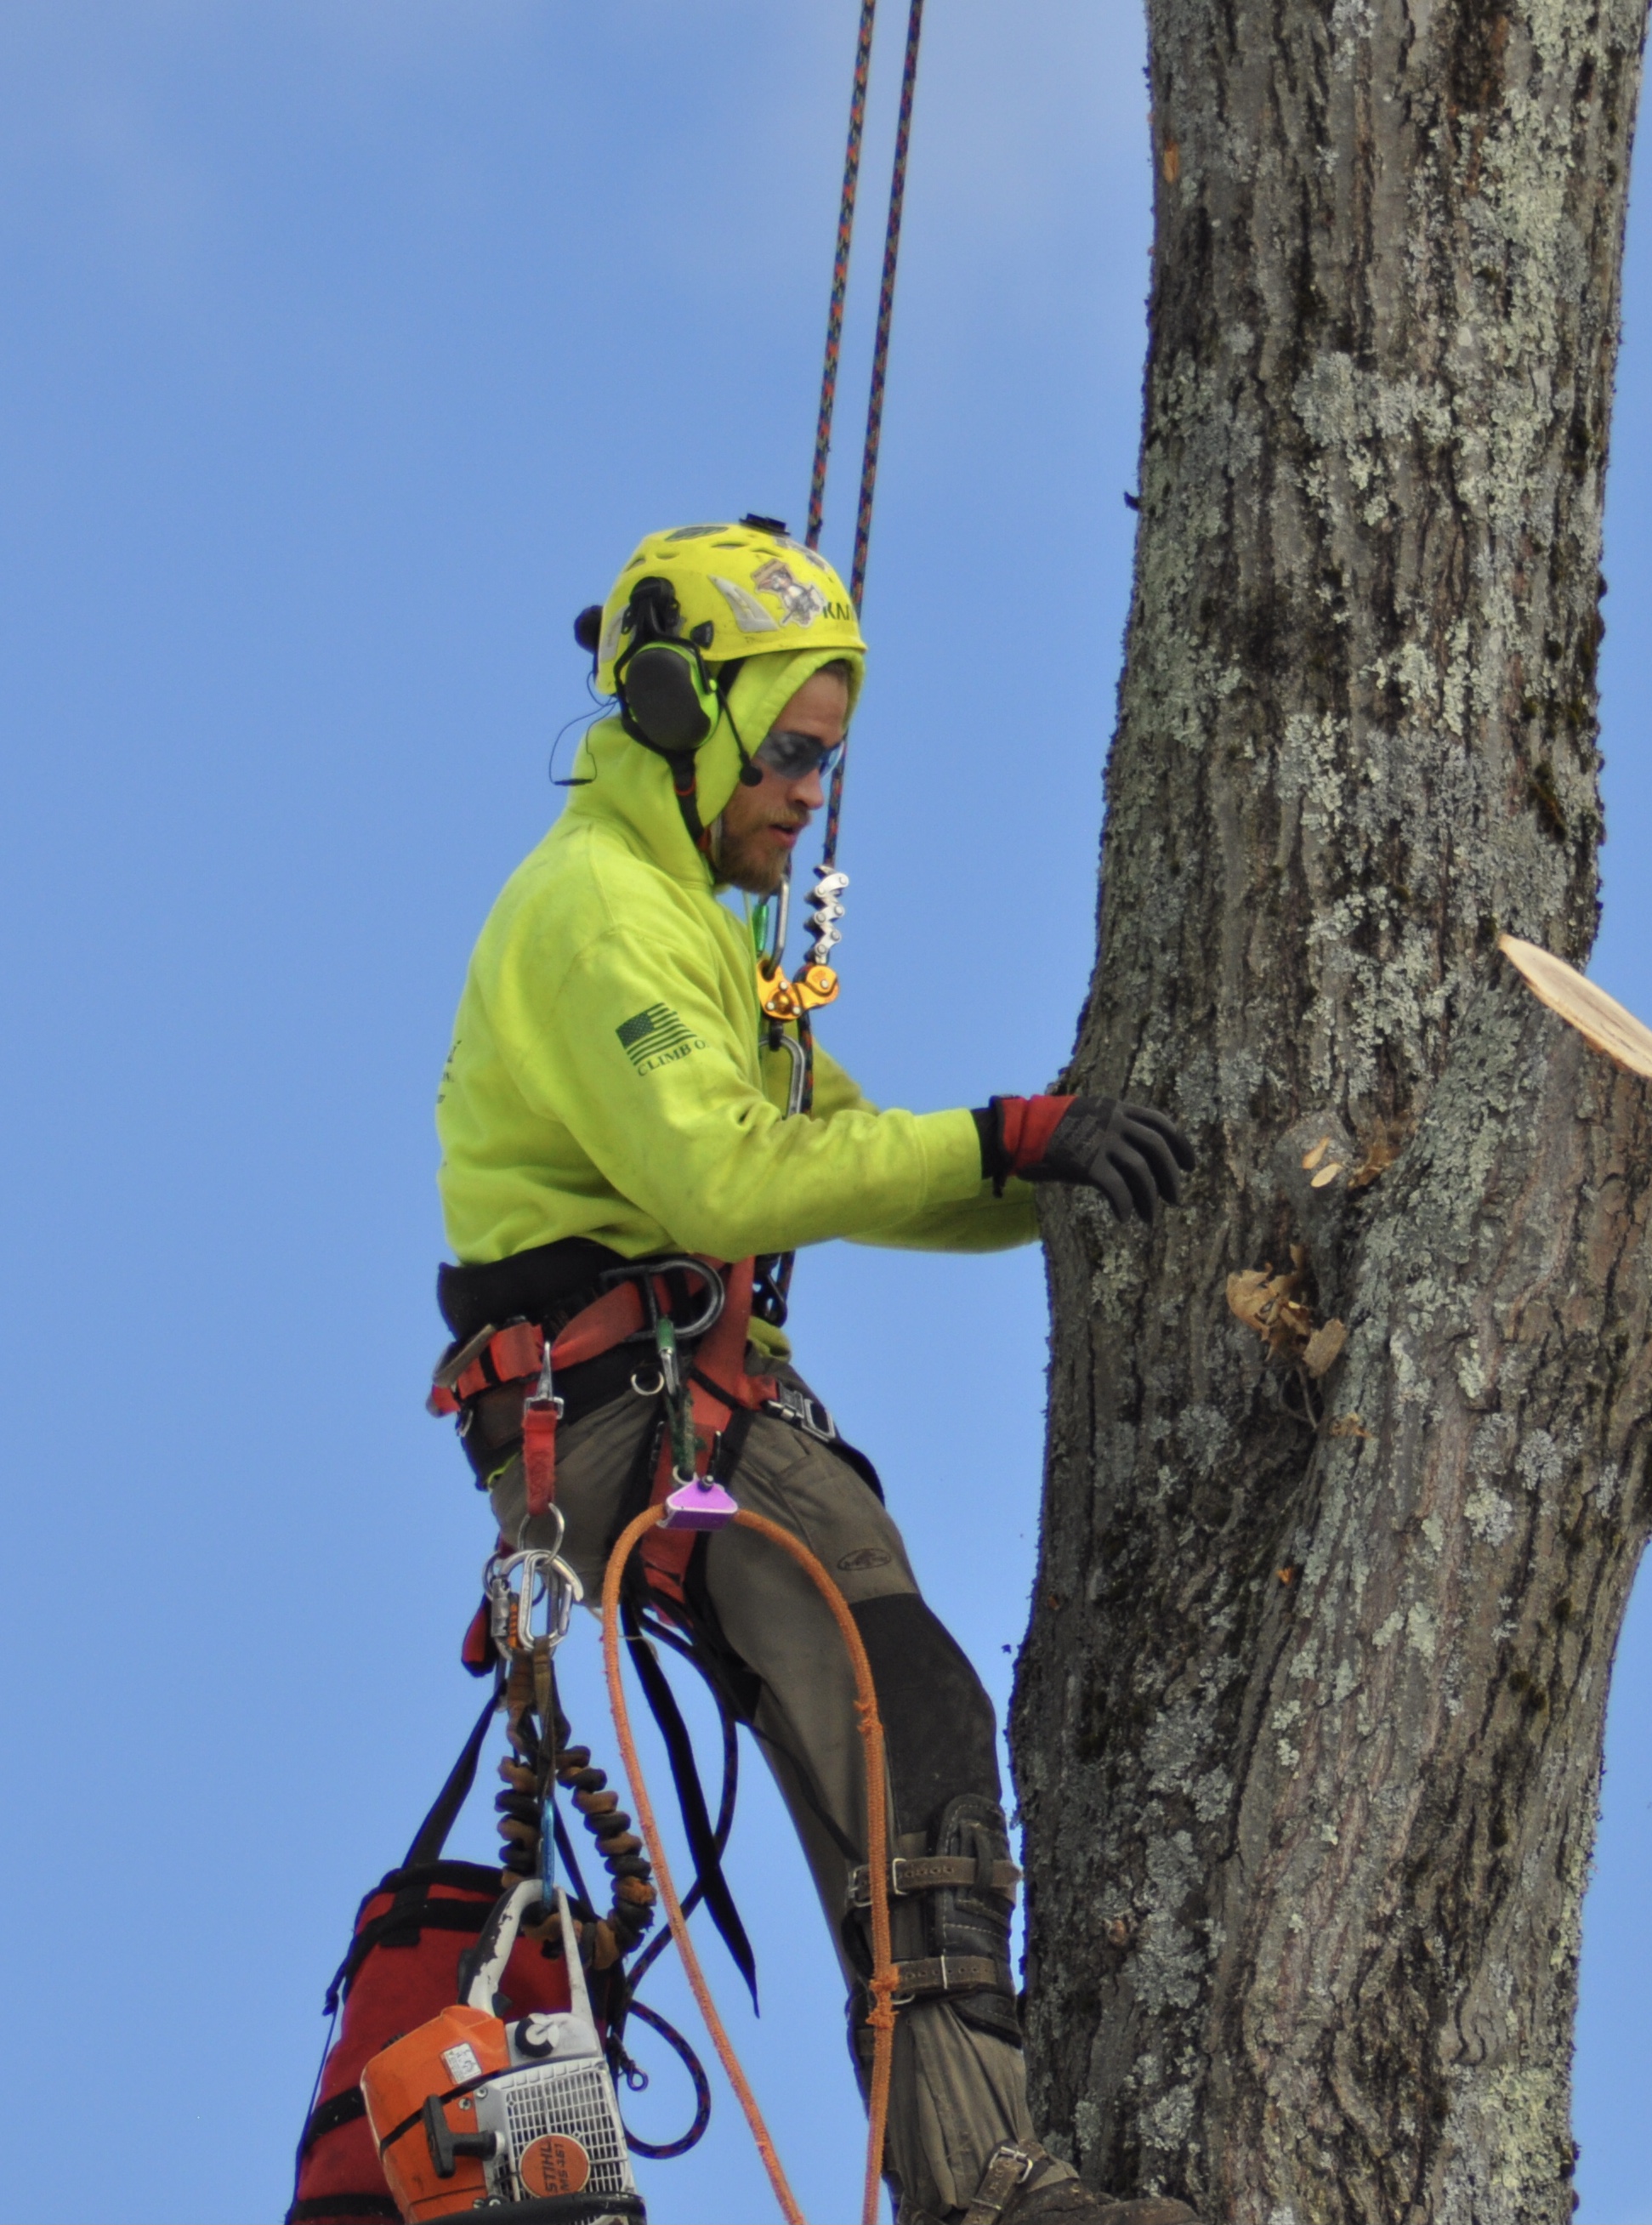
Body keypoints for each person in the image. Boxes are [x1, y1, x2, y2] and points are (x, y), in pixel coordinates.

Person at [426, 519, 1197, 2225]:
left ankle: (966, 2171)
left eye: (825, 761)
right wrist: (1016, 1139)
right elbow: (728, 1181)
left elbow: (837, 1147)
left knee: (894, 1710)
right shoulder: (598, 919)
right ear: (667, 707)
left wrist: (1057, 1174)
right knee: (897, 1695)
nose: (803, 794)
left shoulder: (684, 923)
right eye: (785, 750)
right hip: (626, 1421)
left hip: (662, 1412)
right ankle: (983, 2184)